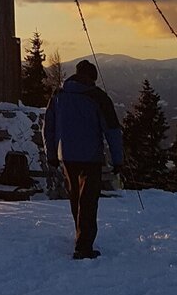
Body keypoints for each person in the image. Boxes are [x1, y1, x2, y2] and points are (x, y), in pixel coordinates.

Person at [43, 59, 124, 260]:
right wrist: (118, 160)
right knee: (88, 200)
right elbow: (112, 130)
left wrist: (52, 155)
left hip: (67, 156)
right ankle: (84, 245)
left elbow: (49, 127)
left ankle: (80, 236)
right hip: (91, 156)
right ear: (92, 78)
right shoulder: (98, 97)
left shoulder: (58, 95)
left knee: (76, 197)